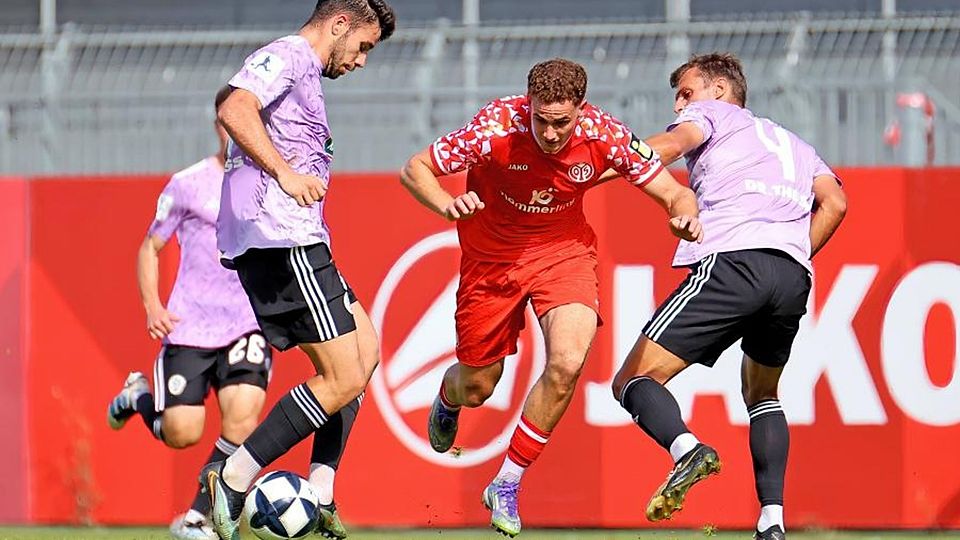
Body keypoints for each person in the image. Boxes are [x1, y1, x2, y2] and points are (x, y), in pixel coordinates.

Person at [400, 57, 702, 538]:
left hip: (563, 255)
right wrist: (447, 203)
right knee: (478, 387)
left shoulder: (605, 134)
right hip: (491, 262)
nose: (550, 133)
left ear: (581, 108)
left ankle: (506, 482)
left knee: (567, 362)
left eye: (561, 122)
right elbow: (415, 168)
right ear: (529, 105)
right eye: (541, 119)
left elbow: (675, 194)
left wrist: (684, 217)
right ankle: (449, 397)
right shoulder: (496, 126)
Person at [609, 53, 847, 540]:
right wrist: (794, 251)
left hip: (734, 262)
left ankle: (687, 450)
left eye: (686, 93)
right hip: (791, 275)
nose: (680, 105)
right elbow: (836, 203)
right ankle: (772, 520)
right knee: (763, 395)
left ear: (719, 90)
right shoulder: (796, 144)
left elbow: (670, 146)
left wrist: (596, 164)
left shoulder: (714, 114)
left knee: (632, 379)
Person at [200, 2, 396, 540]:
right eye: (363, 46)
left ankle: (321, 492)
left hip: (298, 238)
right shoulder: (287, 54)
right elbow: (235, 107)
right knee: (343, 376)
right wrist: (284, 172)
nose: (361, 61)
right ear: (339, 24)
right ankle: (234, 476)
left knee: (366, 352)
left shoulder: (304, 71)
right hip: (279, 239)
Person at [107, 86, 271, 540]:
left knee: (242, 420)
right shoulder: (187, 183)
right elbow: (150, 247)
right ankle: (138, 397)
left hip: (246, 322)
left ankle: (197, 517)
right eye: (229, 122)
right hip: (191, 326)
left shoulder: (268, 180)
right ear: (219, 126)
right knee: (182, 432)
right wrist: (152, 305)